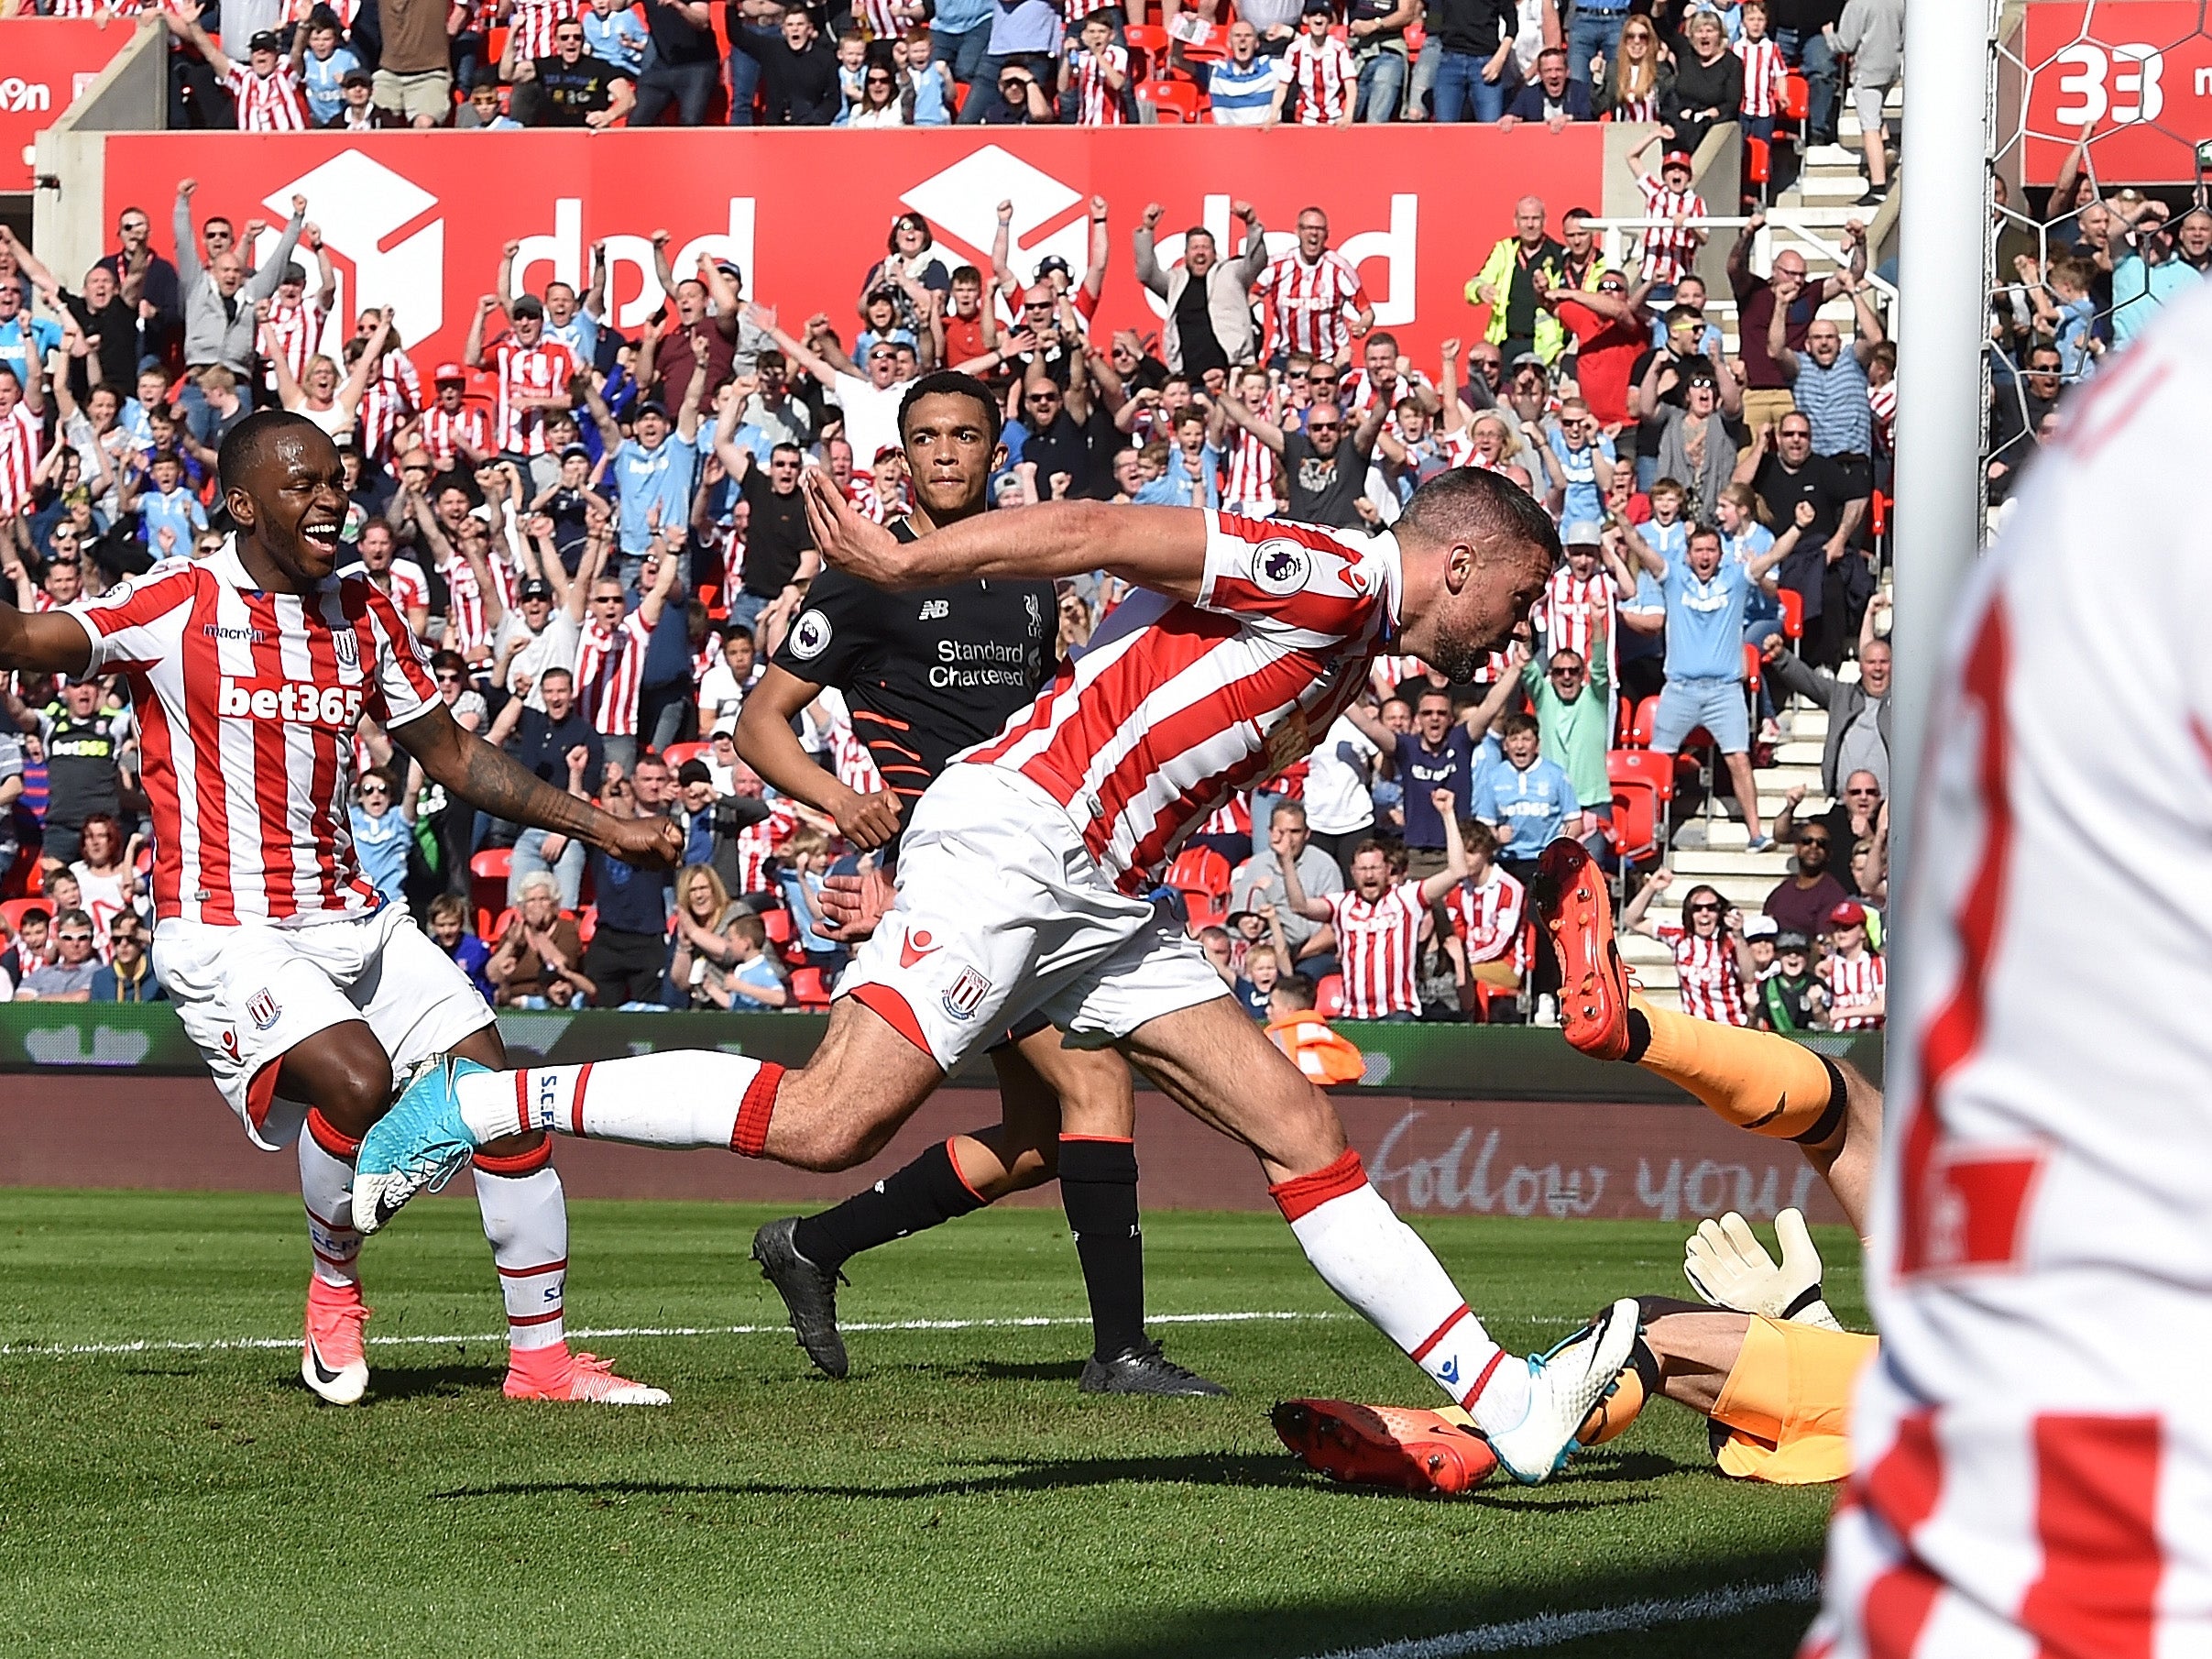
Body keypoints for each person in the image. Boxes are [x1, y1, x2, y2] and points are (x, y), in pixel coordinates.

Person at [358, 467, 1656, 1488]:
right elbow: (1098, 526)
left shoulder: (1356, 629)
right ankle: (481, 1109)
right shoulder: (1318, 573)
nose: (1515, 630)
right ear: (1462, 562)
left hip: (1101, 895)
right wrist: (908, 561)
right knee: (828, 1122)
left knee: (1297, 1125)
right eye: (1520, 597)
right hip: (1019, 840)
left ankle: (1506, 1402)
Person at [6, 411, 680, 1407]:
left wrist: (603, 826)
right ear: (242, 503)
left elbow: (453, 755)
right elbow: (22, 638)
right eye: (303, 484)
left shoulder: (361, 607)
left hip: (353, 916)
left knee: (495, 1098)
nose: (331, 499)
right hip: (227, 927)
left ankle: (541, 1364)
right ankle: (334, 1288)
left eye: (338, 479)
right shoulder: (173, 602)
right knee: (357, 1080)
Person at [735, 369, 1221, 1394]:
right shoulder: (867, 574)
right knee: (1092, 1085)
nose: (945, 452)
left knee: (1043, 1137)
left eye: (963, 435)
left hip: (1033, 860)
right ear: (901, 456)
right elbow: (758, 723)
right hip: (959, 874)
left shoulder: (1028, 577)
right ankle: (1119, 1354)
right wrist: (843, 803)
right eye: (925, 437)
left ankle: (814, 1246)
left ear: (994, 449)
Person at [1628, 519, 1791, 851]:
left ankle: (1756, 834)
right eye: (1698, 550)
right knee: (1658, 760)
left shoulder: (1736, 579)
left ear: (1721, 554)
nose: (1704, 556)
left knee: (1739, 760)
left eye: (1711, 550)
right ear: (1688, 555)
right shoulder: (1674, 578)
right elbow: (1641, 549)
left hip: (1724, 691)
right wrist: (1619, 518)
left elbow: (1773, 556)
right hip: (1679, 689)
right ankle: (1647, 838)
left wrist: (1798, 528)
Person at [1281, 800, 1467, 1022]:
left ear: (1388, 871)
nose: (1369, 875)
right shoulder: (1341, 904)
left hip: (1398, 1012)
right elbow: (1299, 906)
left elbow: (1458, 871)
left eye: (1375, 868)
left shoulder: (1407, 898)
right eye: (1363, 869)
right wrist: (1286, 860)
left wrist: (1447, 814)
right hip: (1353, 1014)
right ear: (1353, 872)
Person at [1206, 390, 1385, 531]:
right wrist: (1218, 392)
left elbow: (1376, 420)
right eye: (1317, 428)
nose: (1324, 432)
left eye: (1331, 427)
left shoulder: (1353, 449)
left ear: (1340, 428)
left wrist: (1387, 392)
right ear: (1307, 429)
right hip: (1302, 542)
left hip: (1343, 542)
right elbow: (1248, 421)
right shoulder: (1295, 446)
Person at [1133, 203, 1269, 382]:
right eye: (1195, 248)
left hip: (1232, 373)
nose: (1200, 253)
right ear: (1186, 254)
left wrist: (1252, 224)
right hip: (1190, 379)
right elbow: (1146, 273)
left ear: (1214, 252)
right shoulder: (1175, 281)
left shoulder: (1232, 272)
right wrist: (1147, 230)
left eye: (1205, 247)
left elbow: (1257, 262)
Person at [1763, 610, 1889, 797]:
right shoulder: (1842, 695)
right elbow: (1809, 682)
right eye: (1871, 662)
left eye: (1884, 662)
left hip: (1890, 810)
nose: (1877, 668)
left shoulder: (1904, 705)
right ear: (1861, 666)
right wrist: (1782, 657)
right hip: (1843, 805)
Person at [1253, 209, 1375, 369]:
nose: (1314, 234)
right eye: (1308, 228)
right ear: (1297, 231)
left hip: (1329, 359)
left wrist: (1362, 326)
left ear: (1326, 234)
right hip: (1287, 359)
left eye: (1319, 229)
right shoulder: (1278, 266)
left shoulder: (1339, 268)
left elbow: (1367, 312)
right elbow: (1249, 297)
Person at [1466, 197, 1569, 368]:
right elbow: (1476, 282)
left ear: (1544, 221)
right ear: (1515, 221)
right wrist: (1479, 289)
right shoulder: (1504, 249)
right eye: (1524, 218)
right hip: (1506, 342)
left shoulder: (1559, 255)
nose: (1530, 224)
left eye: (1535, 218)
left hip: (1542, 346)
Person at [1834, 0, 1902, 204]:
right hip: (1891, 66)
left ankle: (1878, 186)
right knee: (1876, 109)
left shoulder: (1857, 4)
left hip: (1867, 71)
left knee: (1869, 126)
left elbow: (1845, 43)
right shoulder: (1900, 3)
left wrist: (1829, 35)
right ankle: (1887, 143)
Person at [1426, 0, 1518, 123]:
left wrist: (1499, 60)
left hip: (1486, 64)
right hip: (1449, 59)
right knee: (1444, 132)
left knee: (1490, 132)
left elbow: (1512, 24)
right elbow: (1433, 24)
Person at [1271, 0, 1360, 126]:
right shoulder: (1294, 49)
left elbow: (1350, 85)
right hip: (1306, 120)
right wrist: (1274, 115)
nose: (1318, 19)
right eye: (1314, 14)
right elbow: (1282, 86)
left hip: (1335, 120)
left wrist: (1348, 116)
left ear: (1329, 21)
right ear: (1306, 19)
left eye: (1323, 15)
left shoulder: (1340, 49)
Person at [1763, 818, 1851, 939]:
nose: (1813, 846)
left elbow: (1824, 944)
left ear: (1829, 854)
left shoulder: (1834, 894)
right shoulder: (1782, 890)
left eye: (1821, 843)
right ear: (1797, 849)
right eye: (1807, 841)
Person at [1498, 45, 1593, 128]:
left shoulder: (1581, 91)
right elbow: (1513, 114)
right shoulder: (1529, 94)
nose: (1554, 75)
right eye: (1548, 70)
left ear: (1567, 72)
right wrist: (1510, 118)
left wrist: (1569, 118)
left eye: (1558, 70)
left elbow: (1590, 116)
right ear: (1539, 74)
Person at [18, 907, 101, 1002]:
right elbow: (20, 1000)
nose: (75, 944)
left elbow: (81, 999)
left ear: (91, 939)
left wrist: (35, 1001)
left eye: (83, 937)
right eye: (67, 937)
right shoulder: (41, 973)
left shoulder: (100, 974)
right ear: (57, 940)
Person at [92, 913, 165, 1002]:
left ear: (142, 941)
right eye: (117, 940)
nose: (123, 944)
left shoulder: (159, 974)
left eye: (130, 939)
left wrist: (147, 936)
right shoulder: (101, 979)